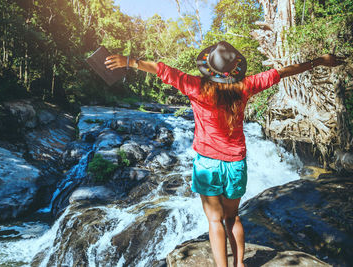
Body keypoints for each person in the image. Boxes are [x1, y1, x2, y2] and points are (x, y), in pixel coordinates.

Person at [105, 41, 345, 267]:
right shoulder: (245, 87)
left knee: (214, 221)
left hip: (207, 164)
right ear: (234, 69)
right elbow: (282, 72)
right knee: (233, 219)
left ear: (208, 67)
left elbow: (161, 69)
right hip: (235, 163)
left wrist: (129, 61)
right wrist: (320, 60)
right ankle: (239, 263)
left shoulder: (196, 87)